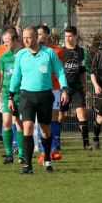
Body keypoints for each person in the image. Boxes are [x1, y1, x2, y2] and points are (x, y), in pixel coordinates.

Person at [9, 25, 69, 174]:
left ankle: (47, 159)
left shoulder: (49, 53)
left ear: (36, 37)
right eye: (24, 38)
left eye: (28, 37)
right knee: (27, 128)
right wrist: (10, 96)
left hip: (44, 95)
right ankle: (27, 165)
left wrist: (64, 89)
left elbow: (60, 71)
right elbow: (16, 76)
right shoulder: (21, 55)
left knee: (45, 131)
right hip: (26, 96)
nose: (26, 40)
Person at [0, 27, 25, 164]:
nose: (4, 45)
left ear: (15, 40)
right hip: (6, 94)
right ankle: (8, 154)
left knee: (19, 123)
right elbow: (1, 77)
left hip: (21, 94)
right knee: (6, 122)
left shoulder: (24, 54)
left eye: (6, 42)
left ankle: (21, 153)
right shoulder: (4, 56)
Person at [58, 25, 90, 150]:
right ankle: (57, 143)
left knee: (82, 114)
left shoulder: (80, 51)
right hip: (63, 89)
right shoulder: (61, 52)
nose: (68, 39)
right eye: (66, 36)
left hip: (77, 88)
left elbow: (82, 70)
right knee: (60, 116)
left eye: (70, 36)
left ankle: (86, 143)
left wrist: (85, 86)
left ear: (76, 36)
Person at [36, 25, 64, 161]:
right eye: (37, 34)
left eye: (41, 34)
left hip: (54, 88)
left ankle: (54, 149)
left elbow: (59, 70)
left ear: (47, 35)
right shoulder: (32, 51)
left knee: (54, 117)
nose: (39, 36)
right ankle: (43, 151)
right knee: (40, 120)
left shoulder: (56, 51)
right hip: (39, 89)